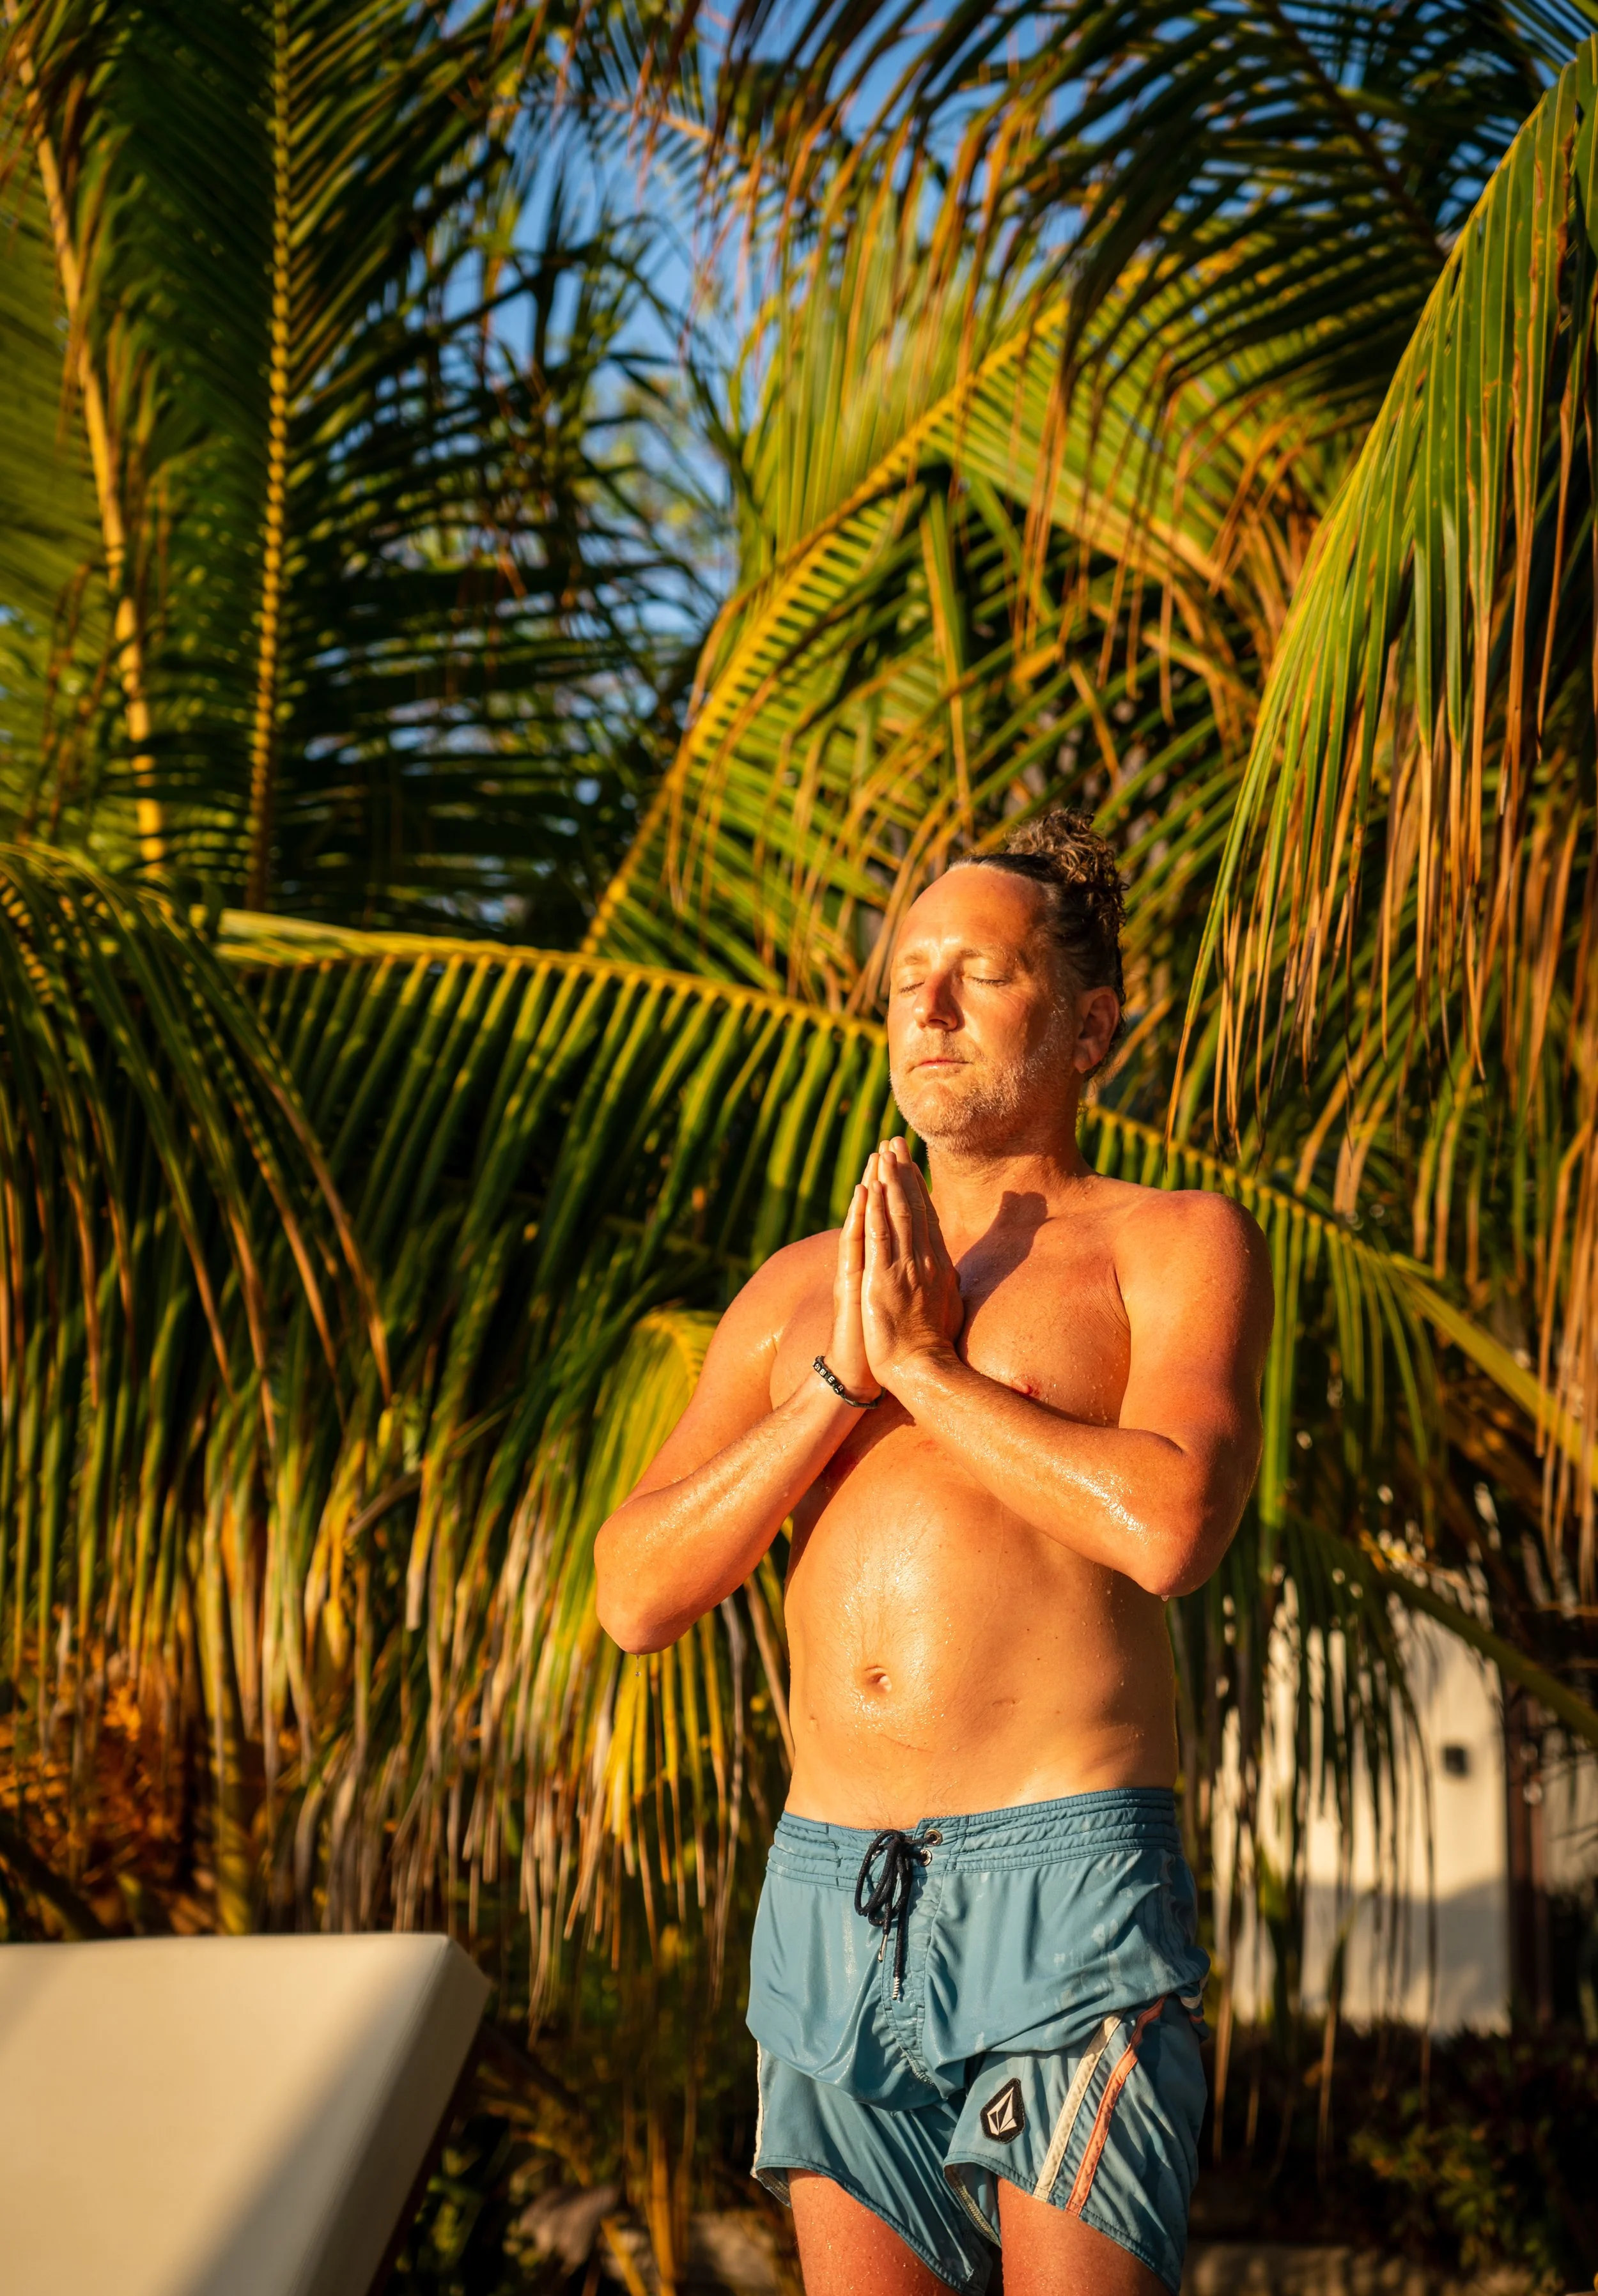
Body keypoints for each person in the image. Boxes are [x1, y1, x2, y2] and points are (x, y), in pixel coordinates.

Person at [594, 811, 1274, 2296]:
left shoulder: (1166, 1242)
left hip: (1060, 1872)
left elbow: (1170, 1525)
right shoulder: (792, 1294)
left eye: (982, 972)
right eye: (909, 972)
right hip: (826, 1890)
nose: (929, 1002)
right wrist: (843, 1378)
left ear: (1091, 1024)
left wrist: (930, 1371)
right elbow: (634, 1589)